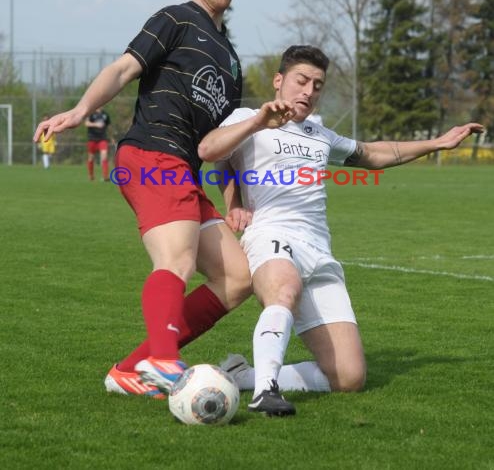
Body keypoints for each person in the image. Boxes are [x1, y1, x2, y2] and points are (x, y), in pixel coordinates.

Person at [198, 45, 484, 416]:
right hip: (271, 233)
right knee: (283, 290)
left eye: (318, 85)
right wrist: (239, 183)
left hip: (319, 249)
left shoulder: (321, 135)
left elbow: (374, 154)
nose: (309, 91)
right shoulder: (248, 117)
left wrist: (438, 143)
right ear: (279, 80)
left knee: (349, 377)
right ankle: (265, 392)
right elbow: (210, 150)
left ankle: (242, 376)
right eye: (302, 81)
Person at [34, 0, 252, 399]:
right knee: (176, 258)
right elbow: (122, 69)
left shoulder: (232, 62)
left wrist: (237, 200)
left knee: (236, 278)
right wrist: (78, 110)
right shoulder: (175, 19)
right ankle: (164, 358)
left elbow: (224, 144)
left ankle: (132, 369)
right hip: (153, 154)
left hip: (186, 172)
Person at [85, 107, 112, 181]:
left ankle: (105, 176)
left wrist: (111, 137)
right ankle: (91, 175)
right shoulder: (91, 113)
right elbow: (86, 123)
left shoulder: (105, 115)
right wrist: (96, 124)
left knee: (104, 157)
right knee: (91, 158)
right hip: (92, 139)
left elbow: (109, 126)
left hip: (103, 139)